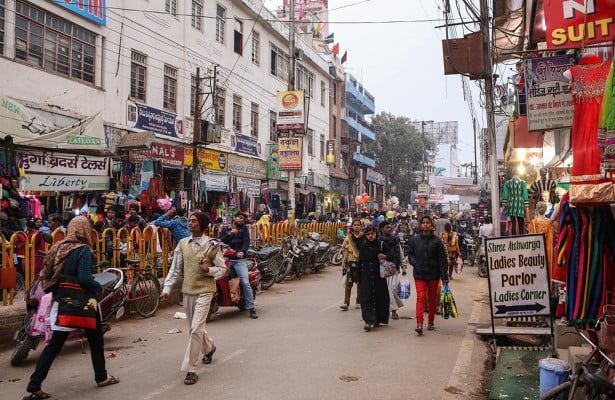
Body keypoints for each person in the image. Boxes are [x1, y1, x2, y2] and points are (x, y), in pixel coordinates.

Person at [24, 216, 119, 399]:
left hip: (61, 302)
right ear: (85, 230)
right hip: (82, 304)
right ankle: (101, 377)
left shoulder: (58, 247)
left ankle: (34, 384)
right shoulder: (82, 250)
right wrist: (97, 287)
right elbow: (84, 278)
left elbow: (47, 274)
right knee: (96, 340)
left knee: (54, 345)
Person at [160, 212, 227, 385]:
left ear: (202, 224)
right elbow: (175, 269)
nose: (190, 223)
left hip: (205, 291)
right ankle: (209, 347)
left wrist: (208, 270)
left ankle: (191, 369)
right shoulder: (182, 243)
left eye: (194, 221)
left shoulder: (212, 245)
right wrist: (167, 288)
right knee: (194, 328)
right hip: (187, 291)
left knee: (196, 328)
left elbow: (222, 269)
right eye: (189, 220)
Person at [407, 215, 448, 335]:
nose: (425, 224)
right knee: (420, 297)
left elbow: (442, 259)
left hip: (433, 274)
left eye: (428, 223)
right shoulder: (414, 240)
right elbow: (410, 254)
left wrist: (444, 276)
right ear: (420, 225)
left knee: (432, 298)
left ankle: (430, 321)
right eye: (423, 223)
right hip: (419, 274)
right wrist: (415, 263)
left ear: (432, 225)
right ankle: (419, 323)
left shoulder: (437, 241)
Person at [220, 212, 257, 319]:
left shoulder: (244, 230)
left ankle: (251, 308)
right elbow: (220, 241)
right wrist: (230, 234)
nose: (242, 220)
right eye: (240, 218)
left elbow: (246, 242)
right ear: (234, 218)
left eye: (243, 219)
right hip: (225, 259)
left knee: (245, 282)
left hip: (239, 260)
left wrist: (241, 252)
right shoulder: (225, 229)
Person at [357, 225, 393, 331]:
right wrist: (358, 277)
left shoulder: (382, 245)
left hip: (379, 276)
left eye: (372, 234)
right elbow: (360, 262)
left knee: (379, 297)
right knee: (366, 298)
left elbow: (392, 255)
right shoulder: (364, 247)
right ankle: (368, 321)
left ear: (376, 234)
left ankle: (376, 319)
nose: (370, 236)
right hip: (366, 276)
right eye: (368, 234)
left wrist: (385, 256)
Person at [379, 221, 405, 320]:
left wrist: (403, 266)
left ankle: (393, 309)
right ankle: (392, 310)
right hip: (383, 268)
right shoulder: (378, 241)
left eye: (390, 227)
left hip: (394, 266)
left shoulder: (395, 240)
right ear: (381, 229)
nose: (389, 229)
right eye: (386, 228)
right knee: (387, 290)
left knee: (393, 288)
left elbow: (400, 253)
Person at [340, 219, 364, 311]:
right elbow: (345, 251)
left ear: (361, 226)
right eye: (355, 225)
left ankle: (358, 302)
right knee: (348, 283)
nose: (356, 226)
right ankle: (346, 303)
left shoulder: (365, 237)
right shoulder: (348, 238)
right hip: (350, 261)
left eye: (358, 225)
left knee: (360, 283)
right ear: (352, 226)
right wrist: (343, 262)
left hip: (360, 262)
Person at [528, 202, 553, 277]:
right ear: (545, 209)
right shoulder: (549, 222)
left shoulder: (534, 222)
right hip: (547, 249)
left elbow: (531, 237)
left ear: (537, 210)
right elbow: (550, 237)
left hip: (537, 249)